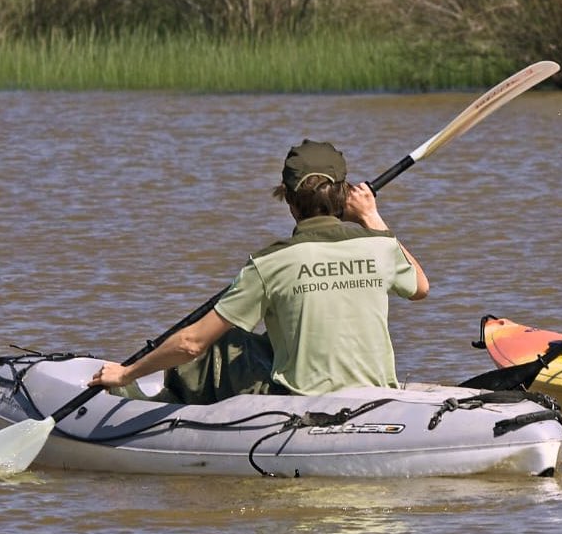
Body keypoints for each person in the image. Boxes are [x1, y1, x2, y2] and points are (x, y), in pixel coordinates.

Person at [89, 139, 429, 401]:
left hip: (303, 404)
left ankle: (161, 411)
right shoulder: (381, 246)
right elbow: (420, 287)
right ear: (345, 197)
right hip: (376, 395)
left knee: (223, 342)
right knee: (267, 340)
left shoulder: (269, 263)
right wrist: (372, 219)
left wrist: (126, 373)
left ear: (290, 202)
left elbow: (192, 344)